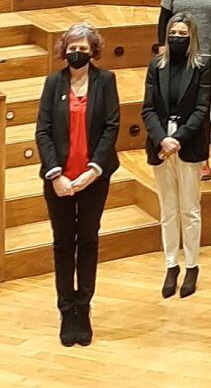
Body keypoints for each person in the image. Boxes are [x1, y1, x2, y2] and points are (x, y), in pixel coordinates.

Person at [35, 23, 120, 347]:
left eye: (83, 48)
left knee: (87, 241)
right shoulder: (53, 82)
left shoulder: (106, 81)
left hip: (93, 178)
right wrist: (55, 174)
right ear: (64, 50)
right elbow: (42, 130)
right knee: (62, 243)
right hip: (58, 179)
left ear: (93, 51)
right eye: (72, 47)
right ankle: (65, 309)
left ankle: (83, 308)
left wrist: (94, 169)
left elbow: (111, 126)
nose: (77, 53)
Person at [141, 13, 211, 299]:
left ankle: (192, 264)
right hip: (161, 145)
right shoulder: (156, 65)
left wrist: (178, 139)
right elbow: (148, 108)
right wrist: (162, 139)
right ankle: (171, 264)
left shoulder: (202, 65)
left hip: (189, 144)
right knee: (168, 209)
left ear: (191, 36)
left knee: (190, 209)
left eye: (183, 34)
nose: (177, 38)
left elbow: (201, 108)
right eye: (174, 33)